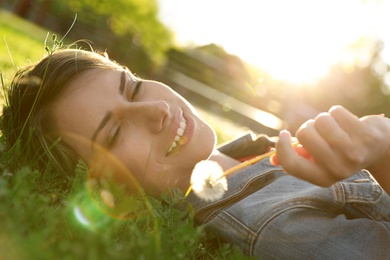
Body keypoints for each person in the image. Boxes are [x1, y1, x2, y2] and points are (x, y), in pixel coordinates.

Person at [2, 48, 389, 259]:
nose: (157, 111)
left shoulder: (253, 150)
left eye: (133, 87)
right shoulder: (270, 226)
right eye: (116, 131)